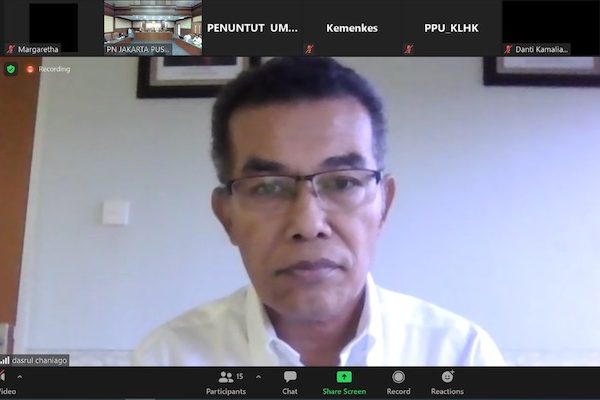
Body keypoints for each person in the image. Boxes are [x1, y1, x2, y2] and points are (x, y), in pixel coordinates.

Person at [132, 57, 505, 366]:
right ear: (226, 216)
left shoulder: (461, 356)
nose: (308, 225)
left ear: (384, 205)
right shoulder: (167, 360)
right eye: (268, 187)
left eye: (342, 183)